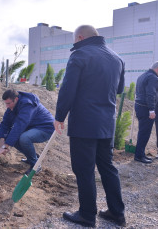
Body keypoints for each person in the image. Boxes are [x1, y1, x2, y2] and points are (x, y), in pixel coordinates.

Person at [54, 25, 126, 227]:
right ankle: (117, 213)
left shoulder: (79, 55)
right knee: (107, 167)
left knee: (84, 169)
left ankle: (87, 215)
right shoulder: (117, 58)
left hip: (85, 123)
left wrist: (60, 116)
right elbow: (119, 89)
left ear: (79, 37)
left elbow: (68, 89)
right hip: (107, 123)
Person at [0, 89, 54, 175]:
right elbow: (4, 124)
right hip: (32, 127)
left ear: (16, 99)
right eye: (5, 103)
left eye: (8, 103)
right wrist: (2, 144)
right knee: (11, 137)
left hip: (46, 128)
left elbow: (20, 125)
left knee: (24, 138)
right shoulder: (12, 107)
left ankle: (36, 165)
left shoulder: (27, 104)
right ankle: (32, 157)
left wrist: (5, 146)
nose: (6, 106)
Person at [134, 61, 158, 164]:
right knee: (145, 132)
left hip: (139, 106)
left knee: (142, 131)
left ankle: (140, 154)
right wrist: (152, 110)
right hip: (146, 108)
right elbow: (151, 94)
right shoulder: (153, 78)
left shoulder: (142, 75)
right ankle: (139, 156)